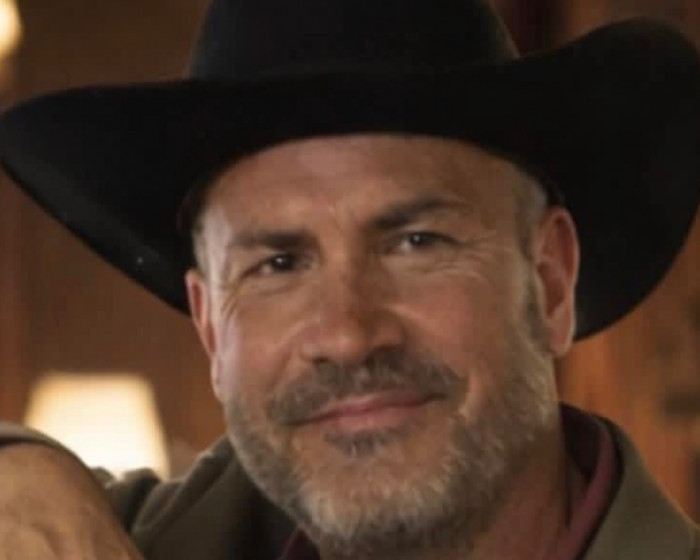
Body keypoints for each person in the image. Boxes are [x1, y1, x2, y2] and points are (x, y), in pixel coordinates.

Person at [0, 0, 699, 558]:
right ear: (210, 326)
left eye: (416, 243)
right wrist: (21, 469)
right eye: (279, 264)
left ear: (550, 280)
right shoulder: (126, 540)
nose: (348, 334)